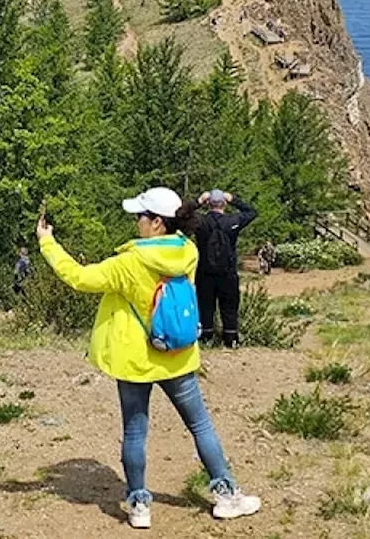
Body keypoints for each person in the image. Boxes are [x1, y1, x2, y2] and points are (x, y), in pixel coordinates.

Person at [36, 187, 261, 528]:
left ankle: (139, 505)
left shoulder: (128, 263)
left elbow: (79, 278)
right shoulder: (188, 251)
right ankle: (228, 495)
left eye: (140, 216)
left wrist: (47, 242)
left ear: (157, 222)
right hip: (178, 356)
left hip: (134, 361)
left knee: (135, 432)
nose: (136, 222)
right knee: (200, 425)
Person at [194, 189, 258, 349]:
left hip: (204, 272)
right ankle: (231, 339)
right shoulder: (233, 221)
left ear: (208, 204)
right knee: (229, 306)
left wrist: (198, 201)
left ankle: (205, 337)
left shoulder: (200, 222)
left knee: (205, 306)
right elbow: (252, 212)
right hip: (227, 272)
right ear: (224, 204)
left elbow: (180, 215)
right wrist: (234, 199)